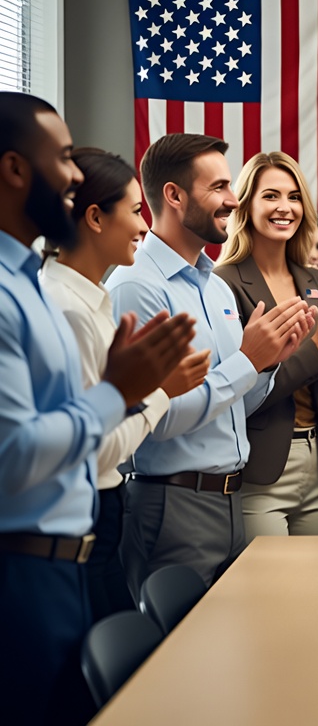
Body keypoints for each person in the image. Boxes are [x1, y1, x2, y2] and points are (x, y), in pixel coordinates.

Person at [0, 93, 194, 726]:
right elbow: (13, 456)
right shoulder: (17, 295)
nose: (75, 175)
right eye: (61, 157)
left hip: (67, 556)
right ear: (14, 171)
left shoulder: (29, 282)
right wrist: (125, 390)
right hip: (24, 568)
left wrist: (126, 388)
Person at [107, 134, 313, 591]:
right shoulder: (137, 287)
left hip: (231, 503)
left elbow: (234, 401)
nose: (233, 199)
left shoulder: (214, 286)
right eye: (218, 187)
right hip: (173, 505)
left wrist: (268, 364)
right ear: (174, 196)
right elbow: (159, 419)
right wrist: (246, 360)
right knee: (176, 654)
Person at [39, 148, 210, 620]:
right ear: (95, 217)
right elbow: (95, 449)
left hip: (103, 511)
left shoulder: (88, 301)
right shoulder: (67, 309)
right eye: (135, 211)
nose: (143, 226)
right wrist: (158, 391)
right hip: (84, 513)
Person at [216, 152, 318, 537]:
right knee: (269, 594)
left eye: (294, 196)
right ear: (246, 203)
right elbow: (242, 396)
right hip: (261, 472)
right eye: (271, 196)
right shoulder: (224, 283)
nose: (285, 207)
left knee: (317, 593)